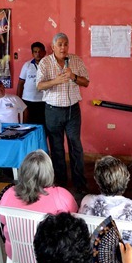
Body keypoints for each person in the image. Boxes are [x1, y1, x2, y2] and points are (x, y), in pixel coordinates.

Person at [0, 150, 78, 257]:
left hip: (16, 254)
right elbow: (75, 218)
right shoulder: (61, 195)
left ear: (23, 171)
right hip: (50, 257)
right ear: (50, 172)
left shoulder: (8, 194)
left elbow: (1, 219)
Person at [36, 32, 90, 196]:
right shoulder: (45, 62)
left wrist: (73, 76)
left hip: (73, 110)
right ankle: (61, 183)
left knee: (76, 146)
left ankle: (79, 183)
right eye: (59, 44)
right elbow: (39, 86)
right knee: (57, 147)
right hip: (53, 111)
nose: (63, 47)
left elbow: (86, 82)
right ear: (53, 47)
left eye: (65, 44)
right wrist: (55, 81)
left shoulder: (75, 60)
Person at [79, 155, 132, 248]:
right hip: (128, 262)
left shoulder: (87, 201)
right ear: (126, 179)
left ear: (97, 180)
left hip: (92, 260)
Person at [17, 41, 46, 125]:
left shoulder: (48, 65)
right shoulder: (27, 65)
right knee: (28, 125)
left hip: (43, 101)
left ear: (44, 52)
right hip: (27, 100)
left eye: (40, 51)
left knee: (42, 126)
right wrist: (18, 100)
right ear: (32, 53)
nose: (38, 54)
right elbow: (20, 83)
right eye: (35, 52)